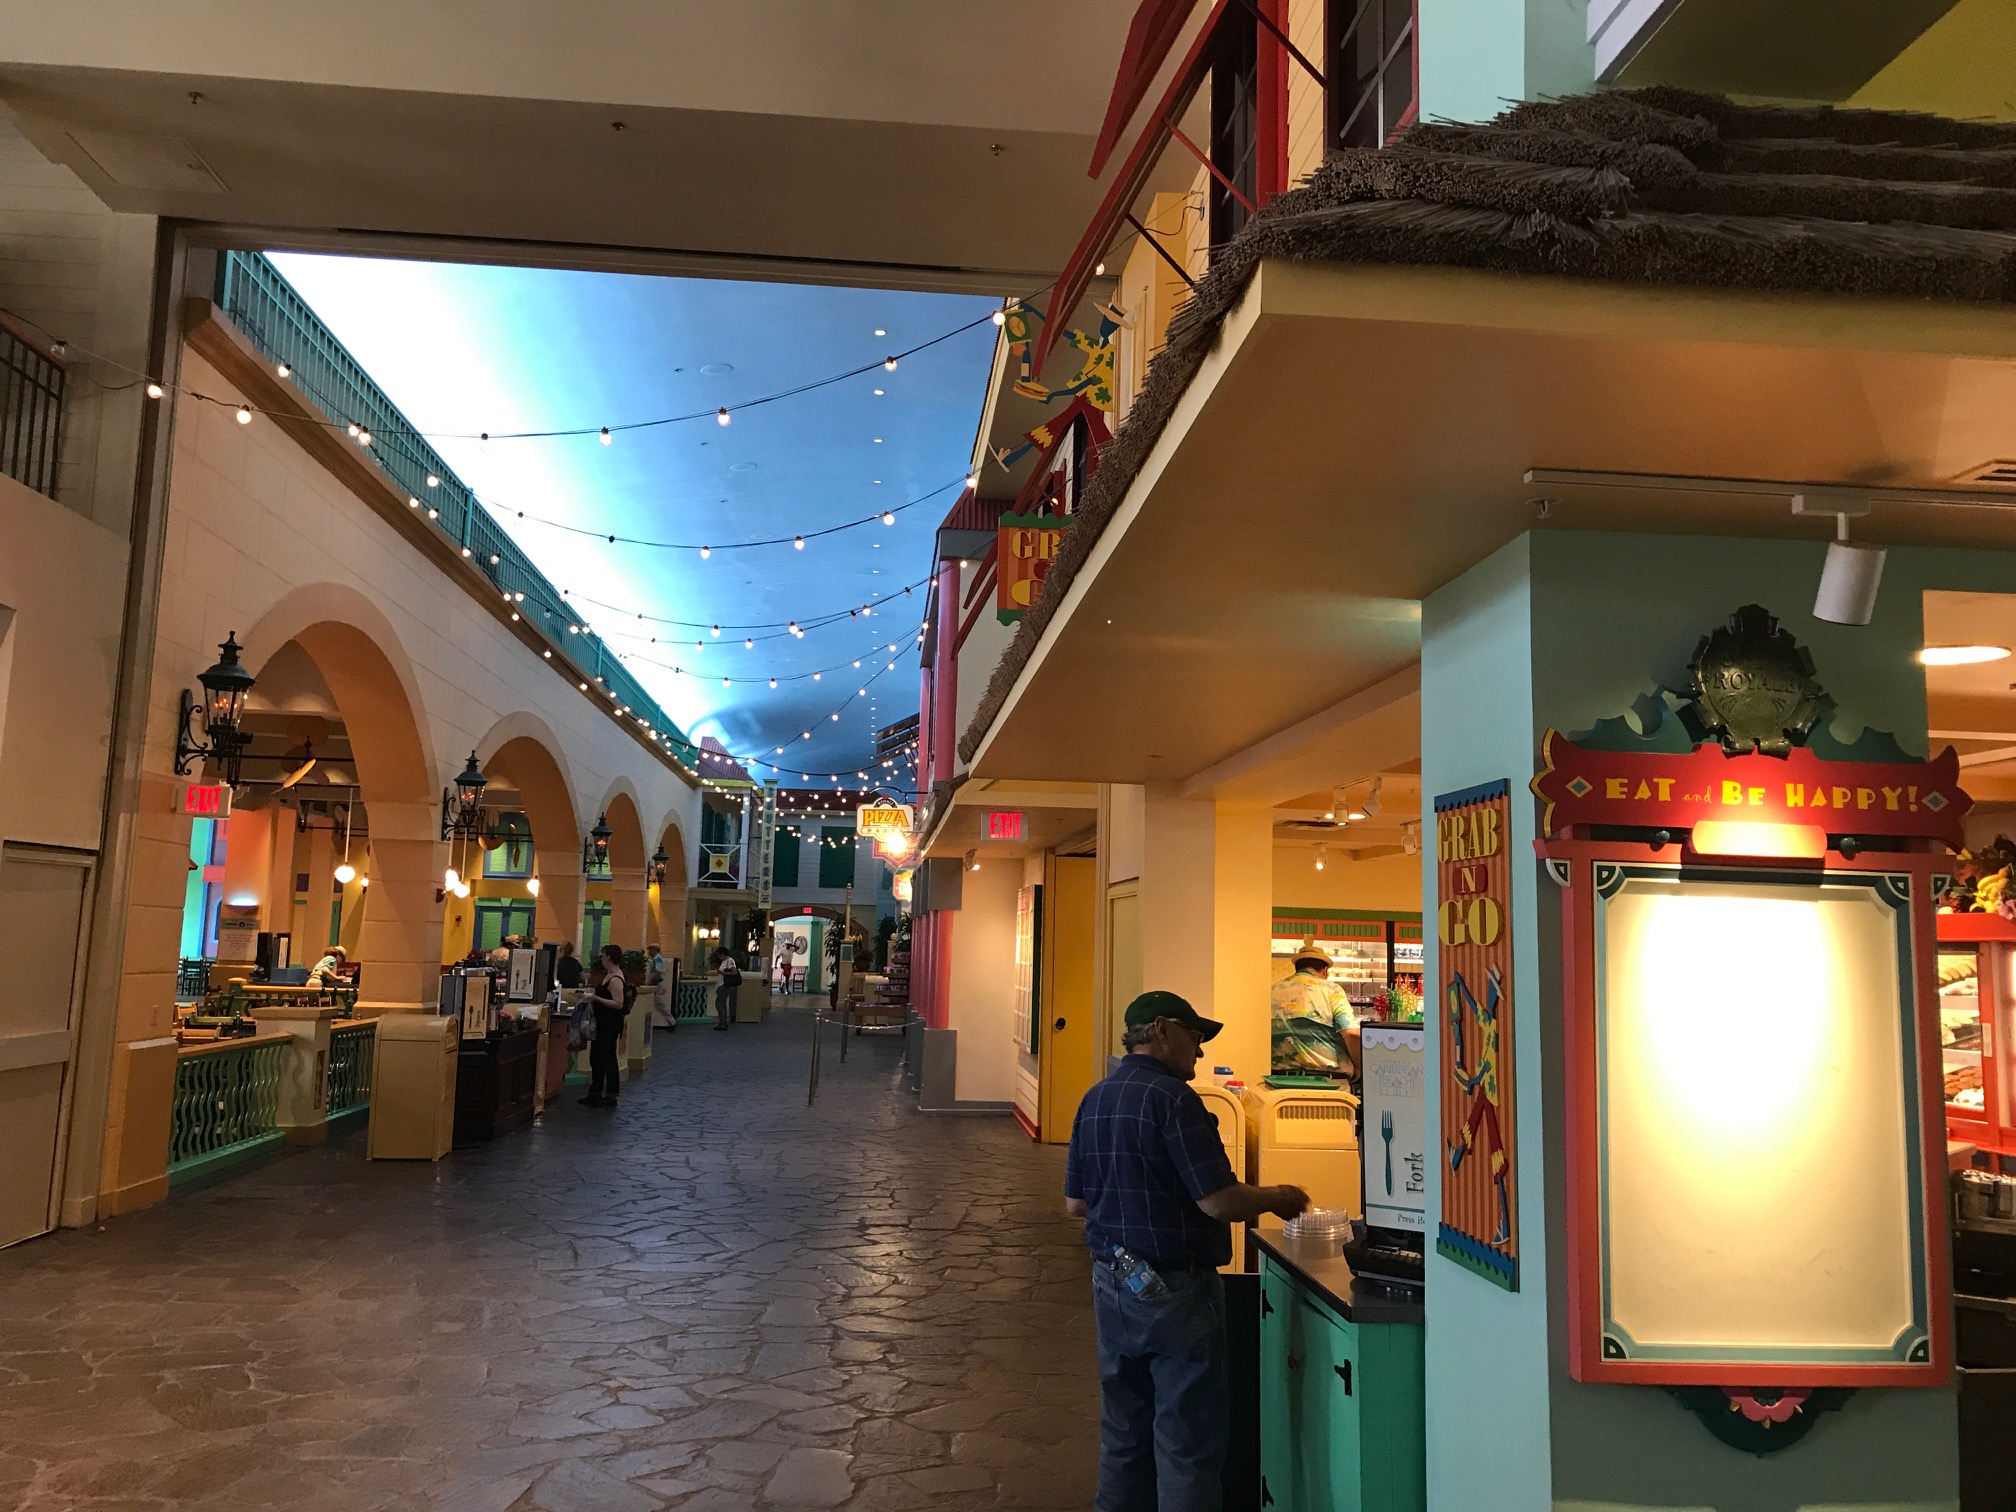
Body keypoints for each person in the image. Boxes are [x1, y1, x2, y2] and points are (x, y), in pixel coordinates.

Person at [1066, 991, 1310, 1512]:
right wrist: (1278, 1197)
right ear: (1162, 1030)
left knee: (1124, 1434)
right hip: (1176, 1290)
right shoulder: (1175, 1100)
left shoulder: (1095, 1097)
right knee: (1187, 1444)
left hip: (1112, 1282)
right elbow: (1219, 1201)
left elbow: (1075, 1203)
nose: (1199, 1051)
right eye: (1195, 1036)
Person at [1269, 941, 1361, 1077]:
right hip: (1327, 1078)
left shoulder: (1273, 990)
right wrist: (1358, 1066)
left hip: (1278, 1077)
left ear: (1297, 968)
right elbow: (1352, 1034)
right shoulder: (1332, 990)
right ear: (1325, 970)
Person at [581, 944, 628, 1106]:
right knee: (596, 1056)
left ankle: (610, 1094)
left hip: (609, 1023)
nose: (601, 958)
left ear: (608, 957)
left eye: (603, 955)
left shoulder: (615, 979)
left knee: (607, 1057)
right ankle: (596, 1091)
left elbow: (618, 1003)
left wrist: (596, 998)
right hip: (603, 1022)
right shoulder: (610, 975)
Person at [711, 945, 740, 1030]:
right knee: (722, 1004)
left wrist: (723, 973)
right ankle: (723, 1022)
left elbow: (734, 972)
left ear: (723, 954)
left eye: (719, 955)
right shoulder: (724, 962)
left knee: (719, 1004)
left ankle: (723, 1022)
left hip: (724, 985)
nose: (719, 957)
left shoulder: (729, 961)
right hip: (721, 984)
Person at [646, 941, 672, 1033]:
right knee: (658, 1004)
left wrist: (651, 981)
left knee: (660, 1004)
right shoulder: (656, 959)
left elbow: (658, 971)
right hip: (657, 983)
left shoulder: (657, 959)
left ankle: (671, 1022)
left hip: (657, 983)